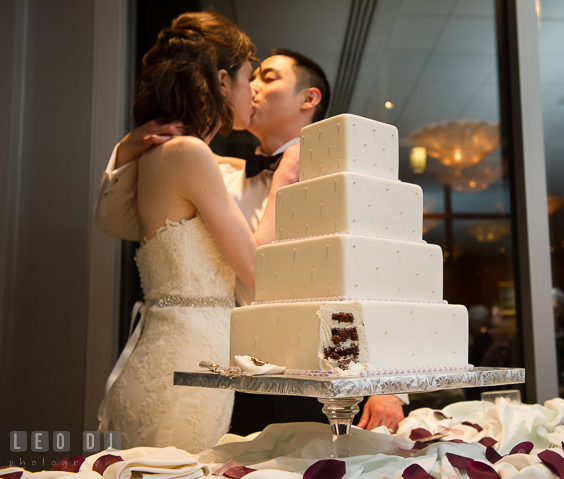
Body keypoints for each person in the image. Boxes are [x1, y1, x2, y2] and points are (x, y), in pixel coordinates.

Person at [95, 47, 405, 432]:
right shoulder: (216, 175)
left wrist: (385, 384)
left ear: (309, 99)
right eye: (251, 77)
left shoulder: (345, 180)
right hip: (231, 377)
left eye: (269, 77)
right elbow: (121, 222)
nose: (252, 87)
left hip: (322, 378)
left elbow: (371, 284)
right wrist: (127, 149)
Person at [97, 12, 302, 452]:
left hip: (176, 352)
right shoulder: (188, 153)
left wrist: (127, 150)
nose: (255, 91)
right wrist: (283, 182)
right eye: (250, 77)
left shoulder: (173, 154)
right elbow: (254, 268)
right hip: (190, 358)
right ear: (223, 81)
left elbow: (112, 220)